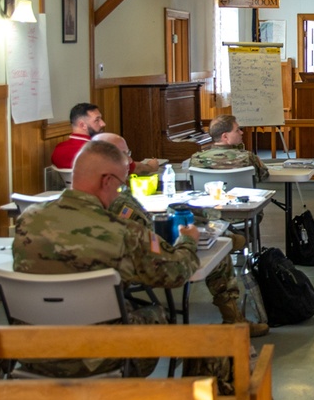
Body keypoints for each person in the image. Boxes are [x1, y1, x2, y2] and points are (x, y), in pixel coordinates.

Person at [12, 140, 199, 378]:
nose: (120, 193)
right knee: (158, 315)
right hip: (99, 357)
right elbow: (177, 272)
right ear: (107, 181)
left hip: (31, 350)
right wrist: (188, 241)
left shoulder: (28, 219)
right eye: (121, 186)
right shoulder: (123, 232)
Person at [96, 133, 268, 338]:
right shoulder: (117, 200)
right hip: (143, 264)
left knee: (210, 235)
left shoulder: (100, 197)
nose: (130, 162)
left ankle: (220, 240)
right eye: (125, 155)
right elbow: (145, 241)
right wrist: (187, 240)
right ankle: (234, 320)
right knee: (218, 249)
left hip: (109, 276)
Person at [190, 114, 269, 182]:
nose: (241, 132)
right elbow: (264, 176)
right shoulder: (247, 157)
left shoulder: (196, 159)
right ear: (225, 136)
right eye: (237, 130)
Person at [50, 103, 107, 169]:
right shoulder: (98, 152)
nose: (103, 124)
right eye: (97, 120)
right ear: (82, 125)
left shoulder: (58, 150)